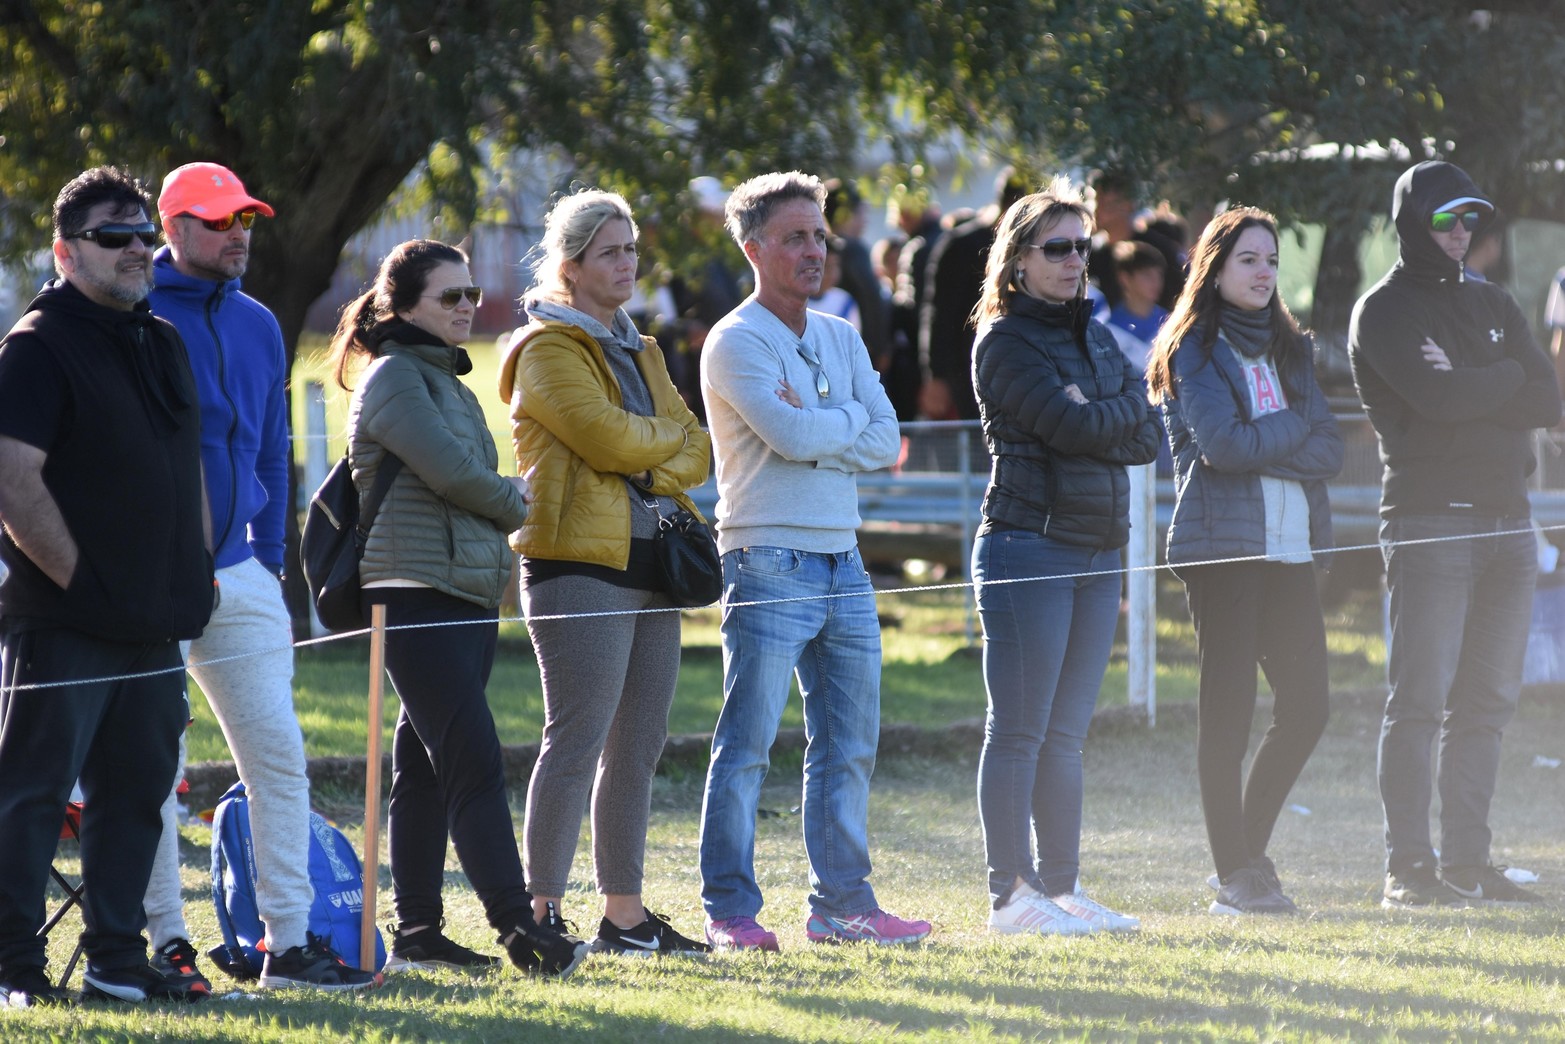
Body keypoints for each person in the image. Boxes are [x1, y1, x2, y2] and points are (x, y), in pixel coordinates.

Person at [143, 162, 378, 993]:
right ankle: (166, 942)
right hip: (151, 581)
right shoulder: (132, 312)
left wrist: (270, 562)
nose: (237, 233)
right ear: (172, 227)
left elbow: (272, 447)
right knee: (153, 768)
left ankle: (290, 943)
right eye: (217, 221)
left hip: (244, 574)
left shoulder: (257, 321)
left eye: (244, 218)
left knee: (279, 760)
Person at [329, 239, 590, 977]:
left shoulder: (442, 377)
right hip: (413, 593)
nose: (468, 305)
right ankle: (518, 926)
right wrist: (515, 500)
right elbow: (453, 475)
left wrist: (499, 494)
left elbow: (465, 475)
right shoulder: (394, 377)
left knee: (424, 766)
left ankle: (417, 932)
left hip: (463, 592)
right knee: (473, 759)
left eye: (471, 293)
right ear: (402, 305)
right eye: (451, 295)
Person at [698, 171, 931, 950]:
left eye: (819, 235)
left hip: (843, 559)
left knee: (849, 744)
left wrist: (820, 426)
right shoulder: (734, 340)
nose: (813, 250)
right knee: (747, 748)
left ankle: (842, 907)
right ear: (752, 248)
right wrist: (841, 424)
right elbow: (795, 438)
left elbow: (885, 441)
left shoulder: (839, 333)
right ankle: (730, 912)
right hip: (766, 560)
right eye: (794, 237)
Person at [0, 166, 214, 1005]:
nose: (135, 249)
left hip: (155, 623)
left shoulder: (161, 339)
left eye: (142, 235)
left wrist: (195, 571)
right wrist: (82, 585)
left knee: (137, 796)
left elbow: (186, 468)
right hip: (66, 622)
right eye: (112, 236)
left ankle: (117, 962)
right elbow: (14, 481)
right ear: (65, 251)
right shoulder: (35, 347)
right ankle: (14, 968)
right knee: (32, 796)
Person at [500, 190, 713, 957]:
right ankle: (539, 912)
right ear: (570, 265)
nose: (627, 264)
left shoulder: (641, 347)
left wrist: (647, 454)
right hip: (577, 565)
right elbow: (604, 440)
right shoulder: (544, 348)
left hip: (654, 563)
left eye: (631, 250)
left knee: (640, 743)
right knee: (577, 738)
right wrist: (656, 447)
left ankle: (624, 917)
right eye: (610, 252)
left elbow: (697, 446)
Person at [1349, 161, 1562, 908]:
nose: (1462, 231)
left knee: (1486, 705)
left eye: (1471, 218)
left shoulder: (1493, 298)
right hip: (1428, 523)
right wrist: (1502, 376)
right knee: (1418, 701)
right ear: (1413, 221)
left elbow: (1549, 399)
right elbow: (1436, 403)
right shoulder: (1383, 311)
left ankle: (1469, 863)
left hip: (1510, 522)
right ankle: (1407, 870)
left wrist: (1475, 378)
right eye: (1446, 218)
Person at [970, 179, 1161, 936]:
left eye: (1081, 247)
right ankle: (1011, 896)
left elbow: (1148, 431)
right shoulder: (1005, 341)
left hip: (1097, 550)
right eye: (1056, 248)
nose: (1073, 260)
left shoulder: (1095, 334)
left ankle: (1061, 887)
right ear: (1017, 260)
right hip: (1029, 546)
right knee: (1019, 730)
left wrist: (1105, 410)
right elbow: (1069, 428)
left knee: (1067, 736)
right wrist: (1109, 414)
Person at [1146, 207, 1343, 915]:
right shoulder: (1193, 348)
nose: (1263, 273)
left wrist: (1267, 436)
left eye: (1271, 261)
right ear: (1215, 268)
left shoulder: (1292, 348)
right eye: (1248, 260)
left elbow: (1332, 448)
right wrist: (1290, 430)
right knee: (1227, 716)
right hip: (1223, 552)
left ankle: (1245, 855)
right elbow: (1223, 448)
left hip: (1291, 551)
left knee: (1308, 708)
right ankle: (1234, 876)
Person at [920, 167, 1030, 423]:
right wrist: (936, 375)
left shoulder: (1039, 245)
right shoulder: (963, 245)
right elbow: (940, 314)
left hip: (1022, 363)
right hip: (968, 365)